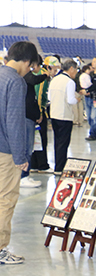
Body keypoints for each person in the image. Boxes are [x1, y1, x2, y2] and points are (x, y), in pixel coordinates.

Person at [0, 41, 37, 265]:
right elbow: (14, 121)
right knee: (6, 199)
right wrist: (21, 156)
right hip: (5, 150)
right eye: (30, 65)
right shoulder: (16, 81)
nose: (29, 70)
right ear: (26, 61)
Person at [49, 58, 79, 175]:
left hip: (54, 114)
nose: (76, 72)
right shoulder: (69, 82)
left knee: (57, 141)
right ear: (71, 69)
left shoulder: (55, 79)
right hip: (65, 116)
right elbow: (71, 100)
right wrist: (77, 99)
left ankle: (58, 165)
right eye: (76, 69)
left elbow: (50, 98)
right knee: (64, 142)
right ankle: (60, 168)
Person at [20, 55, 46, 188]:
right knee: (27, 147)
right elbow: (35, 79)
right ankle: (23, 176)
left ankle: (26, 175)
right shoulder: (26, 75)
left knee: (29, 147)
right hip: (27, 117)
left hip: (29, 116)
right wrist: (46, 74)